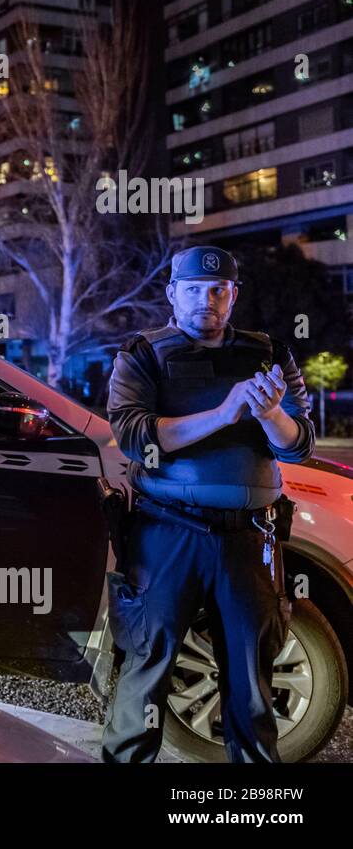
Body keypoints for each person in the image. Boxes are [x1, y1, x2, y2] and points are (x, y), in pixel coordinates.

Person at [103, 245, 315, 763]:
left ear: (233, 295)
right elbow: (134, 437)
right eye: (194, 289)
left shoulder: (269, 353)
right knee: (146, 669)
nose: (207, 299)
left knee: (250, 680)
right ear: (173, 294)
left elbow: (300, 442)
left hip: (248, 537)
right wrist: (224, 413)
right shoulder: (144, 354)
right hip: (167, 533)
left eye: (218, 289)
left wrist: (268, 416)